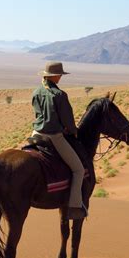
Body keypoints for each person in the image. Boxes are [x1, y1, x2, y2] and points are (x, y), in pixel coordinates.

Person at [31, 61, 87, 219]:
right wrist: (73, 131)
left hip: (36, 133)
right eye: (60, 75)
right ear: (54, 76)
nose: (60, 77)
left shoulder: (36, 92)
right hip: (53, 136)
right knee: (79, 170)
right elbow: (67, 120)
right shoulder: (60, 95)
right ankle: (75, 207)